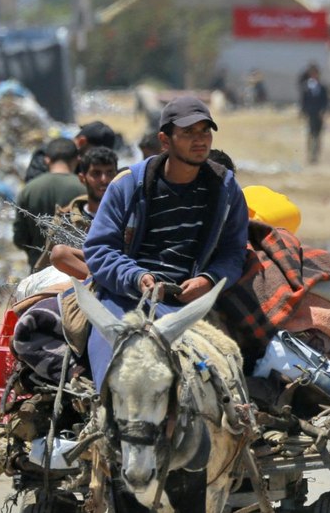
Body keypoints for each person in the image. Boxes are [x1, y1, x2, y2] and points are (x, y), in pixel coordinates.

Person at [83, 96, 249, 391]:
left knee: (217, 381)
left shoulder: (225, 188)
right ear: (164, 140)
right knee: (114, 375)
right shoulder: (128, 185)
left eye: (205, 132)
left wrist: (208, 280)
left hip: (190, 305)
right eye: (188, 133)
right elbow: (99, 249)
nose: (200, 141)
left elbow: (234, 252)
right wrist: (136, 277)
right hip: (126, 299)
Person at [14, 137, 85, 269]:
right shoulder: (84, 188)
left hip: (39, 272)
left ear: (47, 159)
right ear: (77, 159)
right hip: (75, 272)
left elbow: (20, 238)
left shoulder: (29, 189)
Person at [49, 146, 119, 279]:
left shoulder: (128, 216)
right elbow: (49, 265)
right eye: (96, 173)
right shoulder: (67, 221)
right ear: (82, 178)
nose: (104, 179)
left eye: (109, 173)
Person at [300, 63, 329, 164]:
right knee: (310, 135)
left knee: (318, 135)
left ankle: (315, 155)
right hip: (310, 114)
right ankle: (310, 155)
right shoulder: (306, 87)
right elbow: (304, 100)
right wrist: (304, 111)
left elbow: (325, 101)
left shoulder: (322, 87)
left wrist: (323, 111)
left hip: (319, 114)